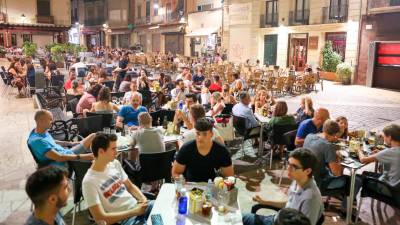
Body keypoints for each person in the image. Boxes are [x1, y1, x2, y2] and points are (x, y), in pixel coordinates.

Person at [82, 133, 153, 225]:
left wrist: (144, 200)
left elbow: (130, 186)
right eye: (113, 149)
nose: (117, 152)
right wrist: (134, 212)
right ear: (101, 152)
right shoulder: (89, 182)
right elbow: (100, 218)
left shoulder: (114, 164)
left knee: (164, 209)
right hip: (126, 219)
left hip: (137, 207)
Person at [242, 148, 323, 225]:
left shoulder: (311, 198)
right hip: (276, 219)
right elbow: (289, 204)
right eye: (288, 164)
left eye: (294, 167)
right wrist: (265, 201)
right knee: (239, 217)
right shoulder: (297, 180)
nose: (288, 168)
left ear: (307, 171)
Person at [28, 110, 94, 168]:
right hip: (66, 160)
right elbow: (59, 157)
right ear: (41, 121)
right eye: (50, 119)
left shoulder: (38, 131)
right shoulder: (38, 141)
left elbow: (51, 141)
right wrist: (84, 156)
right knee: (93, 136)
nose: (52, 121)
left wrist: (71, 143)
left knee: (94, 143)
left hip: (66, 152)